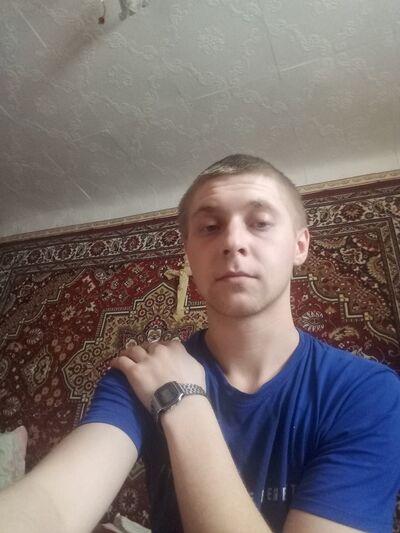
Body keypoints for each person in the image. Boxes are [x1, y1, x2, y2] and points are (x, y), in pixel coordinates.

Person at [0, 154, 399, 533]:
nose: (233, 241)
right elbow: (53, 504)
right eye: (210, 227)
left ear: (300, 246)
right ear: (189, 252)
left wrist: (181, 401)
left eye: (260, 222)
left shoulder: (368, 394)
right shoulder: (140, 376)